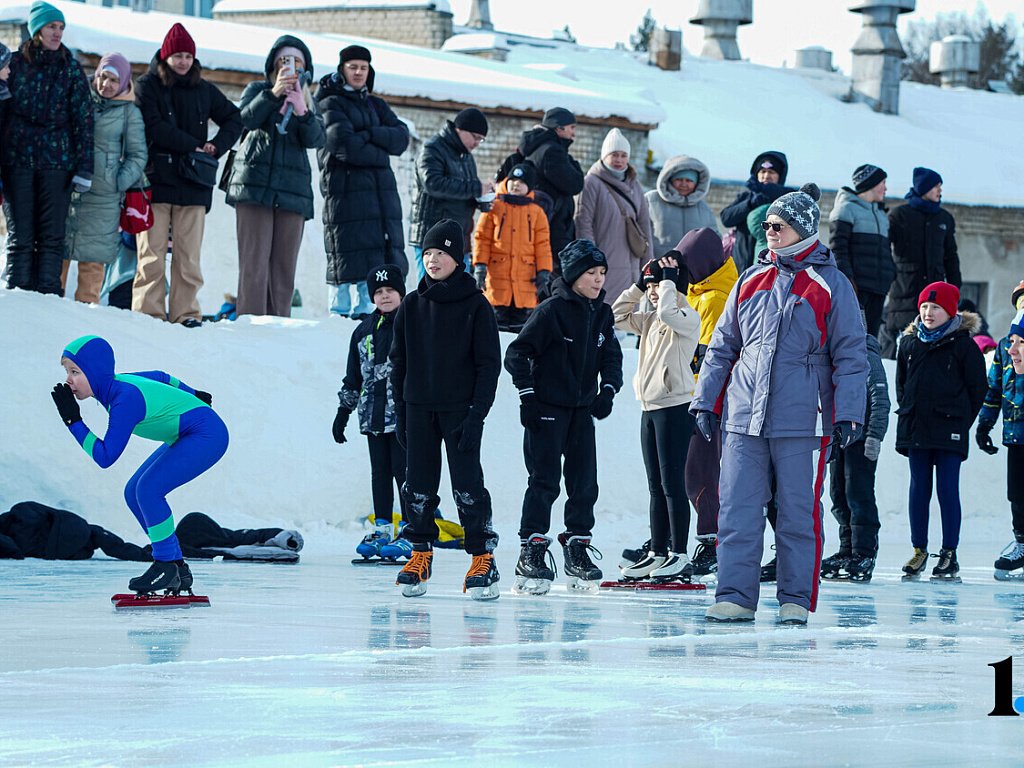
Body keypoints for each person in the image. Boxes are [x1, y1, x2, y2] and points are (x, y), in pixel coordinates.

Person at [691, 184, 868, 625]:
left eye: (779, 225)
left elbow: (851, 354)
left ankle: (794, 598)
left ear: (803, 230)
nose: (769, 232)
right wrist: (706, 401)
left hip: (803, 420)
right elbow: (722, 346)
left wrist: (848, 412)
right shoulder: (751, 279)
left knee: (797, 513)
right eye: (767, 225)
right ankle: (734, 595)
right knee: (736, 510)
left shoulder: (832, 284)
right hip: (743, 416)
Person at [50, 335, 229, 594]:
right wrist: (193, 393)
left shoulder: (124, 401)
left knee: (148, 490)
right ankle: (176, 564)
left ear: (95, 372)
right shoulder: (118, 383)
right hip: (189, 433)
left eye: (76, 371)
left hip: (207, 435)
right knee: (133, 492)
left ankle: (166, 565)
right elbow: (160, 376)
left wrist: (73, 422)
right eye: (67, 371)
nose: (69, 379)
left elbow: (105, 457)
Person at [389, 219, 501, 599]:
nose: (433, 260)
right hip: (419, 408)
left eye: (441, 253)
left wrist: (476, 415)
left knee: (467, 486)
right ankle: (420, 553)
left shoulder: (477, 305)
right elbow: (397, 363)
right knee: (417, 486)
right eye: (428, 253)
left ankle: (482, 555)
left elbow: (489, 365)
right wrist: (402, 413)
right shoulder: (412, 304)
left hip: (460, 411)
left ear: (457, 258)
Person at [505, 239, 623, 593]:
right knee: (544, 481)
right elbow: (517, 354)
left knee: (585, 483)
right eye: (591, 273)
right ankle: (533, 550)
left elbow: (611, 357)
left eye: (602, 273)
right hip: (547, 410)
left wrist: (608, 390)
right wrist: (527, 396)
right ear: (573, 276)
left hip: (582, 411)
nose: (598, 279)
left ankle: (577, 548)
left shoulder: (601, 313)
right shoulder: (551, 311)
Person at [133, 23, 242, 327]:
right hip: (155, 183)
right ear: (165, 56)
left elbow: (234, 118)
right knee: (151, 256)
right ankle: (147, 314)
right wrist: (194, 145)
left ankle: (186, 314)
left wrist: (216, 147)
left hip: (194, 185)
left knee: (188, 258)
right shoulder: (148, 85)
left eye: (188, 56)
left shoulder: (204, 89)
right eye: (177, 55)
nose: (183, 61)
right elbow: (153, 126)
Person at [612, 253, 698, 581]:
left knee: (672, 483)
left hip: (675, 408)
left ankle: (679, 553)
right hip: (649, 407)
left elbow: (667, 308)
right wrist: (637, 285)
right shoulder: (649, 320)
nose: (652, 291)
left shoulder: (686, 316)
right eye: (648, 286)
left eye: (656, 284)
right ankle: (657, 552)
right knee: (655, 486)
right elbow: (616, 315)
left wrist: (668, 284)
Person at [225, 35, 325, 318]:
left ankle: (279, 323)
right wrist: (272, 95)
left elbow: (317, 139)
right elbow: (245, 119)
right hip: (254, 187)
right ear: (273, 65)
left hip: (292, 193)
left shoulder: (308, 101)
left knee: (283, 266)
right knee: (253, 263)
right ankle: (250, 320)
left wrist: (303, 111)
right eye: (284, 61)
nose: (290, 67)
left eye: (296, 63)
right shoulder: (258, 89)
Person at [895, 282, 987, 582]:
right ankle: (919, 549)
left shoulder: (964, 345)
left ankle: (950, 552)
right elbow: (902, 386)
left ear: (950, 311)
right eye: (923, 307)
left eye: (935, 307)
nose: (928, 312)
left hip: (949, 430)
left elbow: (977, 390)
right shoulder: (909, 343)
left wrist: (960, 421)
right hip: (917, 428)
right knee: (918, 489)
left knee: (947, 490)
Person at [2, 1, 93, 296]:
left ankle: (49, 297)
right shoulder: (13, 65)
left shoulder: (71, 69)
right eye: (52, 26)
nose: (57, 33)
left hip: (58, 163)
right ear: (37, 29)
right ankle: (18, 294)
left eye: (61, 28)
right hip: (17, 160)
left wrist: (84, 166)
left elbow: (84, 121)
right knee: (21, 237)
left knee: (52, 237)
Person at [318, 45, 409, 319]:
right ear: (342, 69)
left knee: (375, 257)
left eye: (363, 67)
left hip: (379, 197)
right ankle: (339, 313)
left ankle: (367, 310)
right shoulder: (329, 102)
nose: (358, 72)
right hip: (345, 195)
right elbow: (344, 146)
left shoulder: (376, 104)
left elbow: (401, 138)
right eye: (353, 66)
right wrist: (380, 146)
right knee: (346, 255)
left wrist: (367, 133)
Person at [334, 264, 409, 561]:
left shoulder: (410, 324)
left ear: (400, 292)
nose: (385, 296)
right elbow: (353, 376)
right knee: (380, 473)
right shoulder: (362, 331)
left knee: (405, 473)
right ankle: (382, 527)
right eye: (378, 292)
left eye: (390, 290)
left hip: (404, 416)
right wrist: (343, 411)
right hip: (373, 416)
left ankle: (410, 527)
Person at [63, 53, 147, 305]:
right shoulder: (79, 99)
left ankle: (86, 321)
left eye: (113, 80)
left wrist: (116, 182)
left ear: (123, 83)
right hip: (69, 190)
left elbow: (138, 155)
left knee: (92, 265)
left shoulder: (129, 113)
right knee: (57, 257)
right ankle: (50, 318)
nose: (106, 85)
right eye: (103, 77)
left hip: (103, 198)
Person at [820, 323, 890, 582]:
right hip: (839, 438)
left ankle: (864, 551)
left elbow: (880, 398)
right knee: (838, 495)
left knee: (858, 495)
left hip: (861, 438)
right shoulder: (832, 353)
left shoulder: (866, 354)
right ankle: (847, 549)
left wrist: (875, 435)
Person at [882, 167, 961, 358]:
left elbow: (951, 257)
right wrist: (890, 276)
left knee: (934, 344)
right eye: (936, 186)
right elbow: (883, 249)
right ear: (924, 188)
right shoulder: (899, 215)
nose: (939, 191)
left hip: (936, 292)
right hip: (905, 291)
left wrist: (955, 288)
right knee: (900, 343)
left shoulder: (944, 219)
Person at [974, 283, 1024, 579]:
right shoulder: (1007, 347)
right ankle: (1021, 541)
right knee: (1016, 492)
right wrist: (984, 424)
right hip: (1016, 435)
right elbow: (994, 389)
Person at [496, 107, 585, 271]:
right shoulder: (552, 151)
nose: (574, 133)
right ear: (559, 128)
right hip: (553, 227)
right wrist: (574, 164)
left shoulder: (535, 147)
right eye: (572, 127)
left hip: (539, 222)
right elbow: (575, 184)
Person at [574, 128, 654, 305]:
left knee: (627, 313)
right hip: (604, 262)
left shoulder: (635, 185)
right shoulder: (591, 183)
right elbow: (583, 222)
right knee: (605, 308)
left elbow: (644, 224)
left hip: (632, 262)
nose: (619, 160)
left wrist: (648, 261)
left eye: (623, 155)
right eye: (614, 154)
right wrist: (591, 259)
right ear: (604, 156)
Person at [410, 107, 491, 279]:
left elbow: (464, 189)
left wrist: (481, 199)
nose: (477, 143)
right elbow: (433, 184)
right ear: (459, 129)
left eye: (481, 140)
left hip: (459, 237)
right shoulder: (433, 148)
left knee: (458, 295)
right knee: (429, 293)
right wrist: (476, 188)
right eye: (475, 137)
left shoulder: (466, 156)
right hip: (432, 236)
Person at [472, 162, 552, 332]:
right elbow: (482, 239)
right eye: (513, 180)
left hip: (526, 279)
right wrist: (480, 266)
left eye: (522, 182)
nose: (516, 185)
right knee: (494, 325)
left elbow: (543, 245)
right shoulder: (494, 207)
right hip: (497, 276)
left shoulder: (537, 212)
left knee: (521, 327)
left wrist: (544, 271)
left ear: (529, 187)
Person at [829, 164, 894, 336]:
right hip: (857, 289)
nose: (885, 188)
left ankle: (870, 364)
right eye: (882, 183)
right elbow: (838, 248)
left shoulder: (881, 214)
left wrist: (890, 275)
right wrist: (848, 279)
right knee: (853, 336)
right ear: (870, 184)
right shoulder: (846, 208)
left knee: (871, 339)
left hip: (879, 288)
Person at [719, 150, 791, 273]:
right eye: (762, 171)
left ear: (780, 176)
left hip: (772, 266)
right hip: (741, 265)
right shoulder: (747, 196)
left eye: (771, 172)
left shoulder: (787, 198)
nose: (766, 175)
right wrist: (749, 204)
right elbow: (726, 218)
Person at [645, 154, 718, 255]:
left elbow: (715, 241)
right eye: (679, 179)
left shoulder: (704, 209)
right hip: (657, 267)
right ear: (670, 179)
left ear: (696, 183)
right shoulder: (651, 200)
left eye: (689, 180)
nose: (684, 184)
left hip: (692, 269)